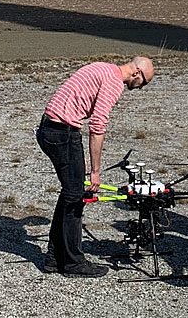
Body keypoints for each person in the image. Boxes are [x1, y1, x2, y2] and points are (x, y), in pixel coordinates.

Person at [36, 57, 155, 277]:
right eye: (144, 83)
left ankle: (54, 258)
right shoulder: (113, 82)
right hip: (62, 132)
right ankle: (73, 263)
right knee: (75, 197)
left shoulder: (103, 68)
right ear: (137, 73)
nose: (141, 88)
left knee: (69, 193)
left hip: (49, 128)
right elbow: (97, 127)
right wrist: (95, 171)